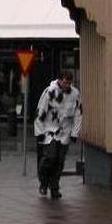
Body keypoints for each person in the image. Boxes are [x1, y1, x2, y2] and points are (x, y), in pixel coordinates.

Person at [34, 71, 82, 199]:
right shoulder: (50, 92)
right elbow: (41, 111)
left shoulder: (74, 94)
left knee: (60, 161)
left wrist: (75, 132)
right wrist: (39, 131)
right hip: (50, 130)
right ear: (60, 80)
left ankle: (54, 187)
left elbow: (78, 114)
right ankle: (44, 182)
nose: (67, 85)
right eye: (65, 82)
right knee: (50, 158)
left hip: (65, 131)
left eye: (69, 83)